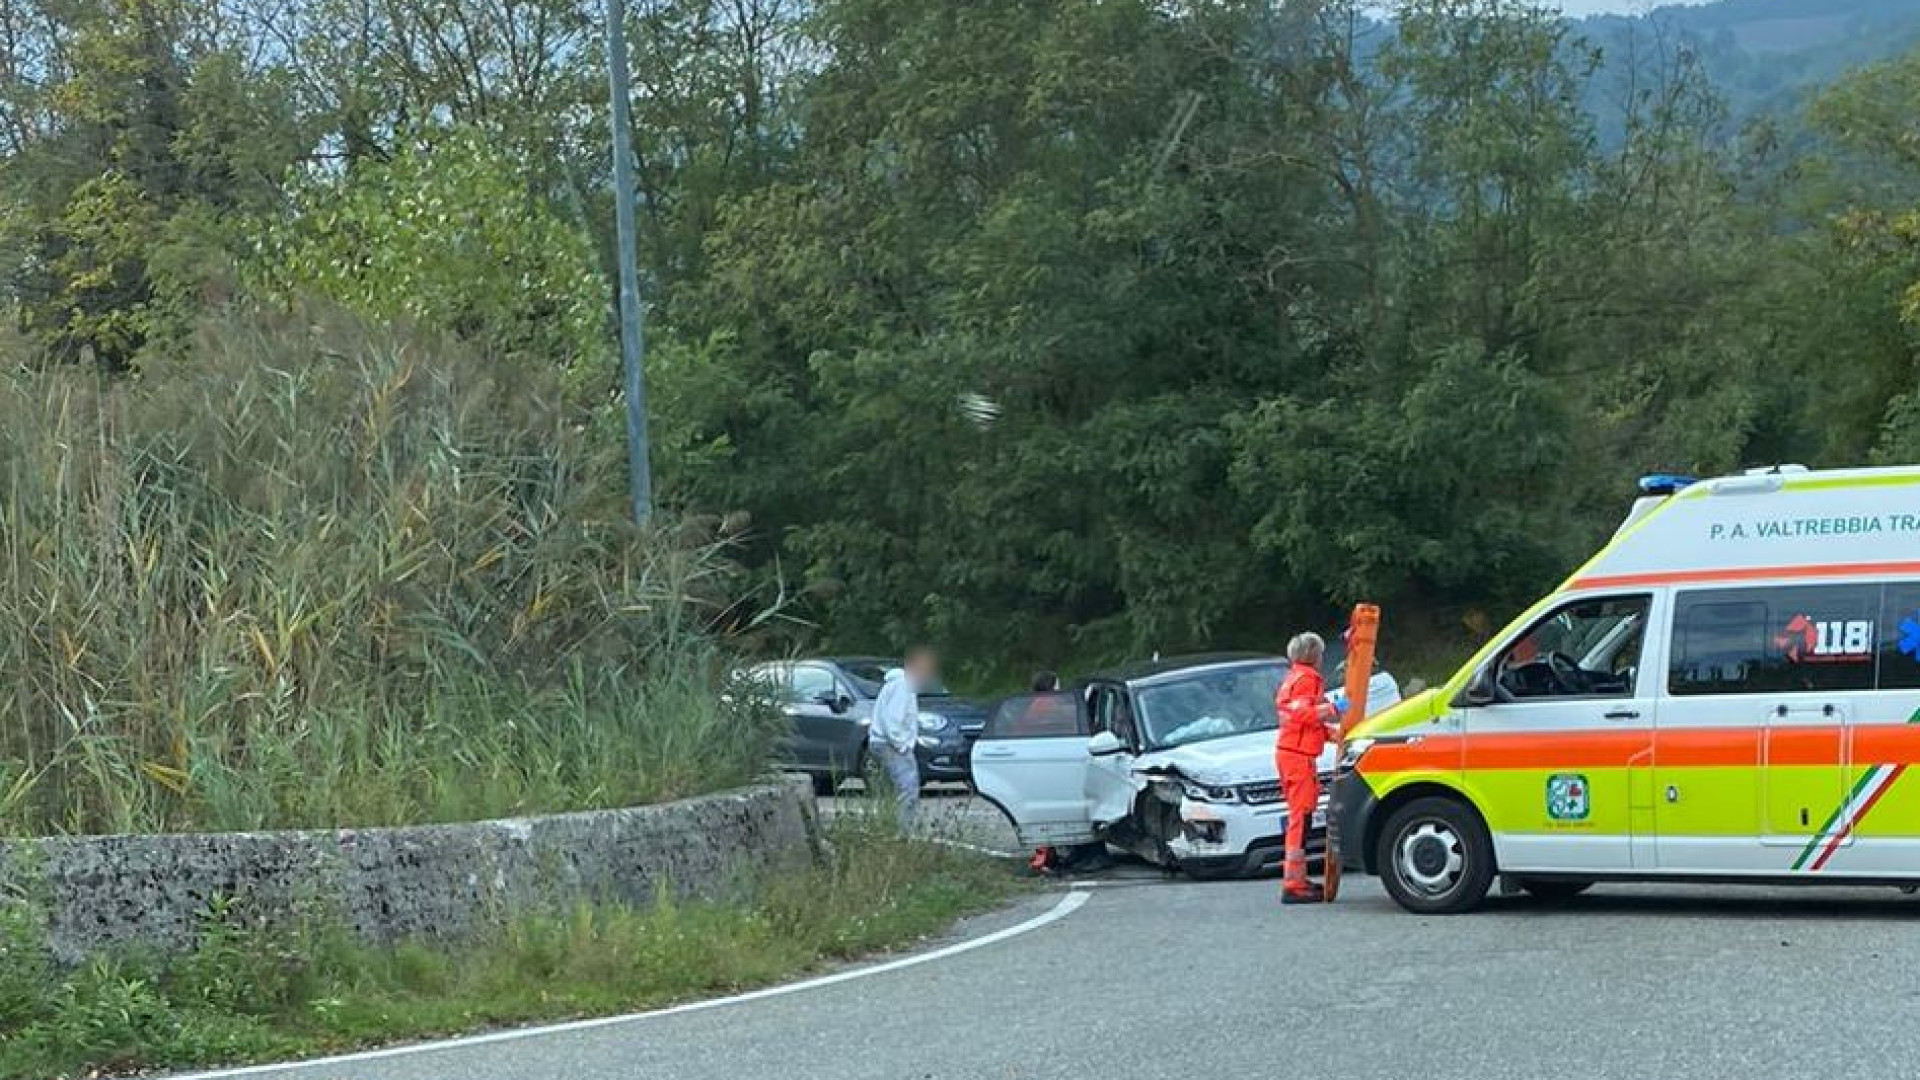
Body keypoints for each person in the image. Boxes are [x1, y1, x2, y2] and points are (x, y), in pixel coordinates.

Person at [1275, 631, 1346, 904]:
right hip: (1297, 757)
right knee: (1300, 818)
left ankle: (1296, 880)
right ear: (1314, 655)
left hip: (1293, 754)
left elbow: (1302, 723)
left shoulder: (1294, 678)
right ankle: (1294, 883)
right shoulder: (1307, 679)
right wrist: (1335, 708)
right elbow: (1303, 714)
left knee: (1300, 817)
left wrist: (1335, 734)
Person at [871, 647, 937, 830]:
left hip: (882, 742)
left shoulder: (899, 684)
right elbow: (892, 720)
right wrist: (902, 746)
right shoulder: (904, 685)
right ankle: (902, 833)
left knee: (895, 790)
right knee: (908, 788)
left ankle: (890, 828)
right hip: (891, 744)